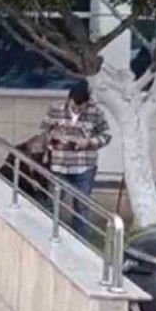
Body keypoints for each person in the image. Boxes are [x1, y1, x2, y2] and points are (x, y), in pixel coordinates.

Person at [41, 81, 111, 238]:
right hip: (59, 165)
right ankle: (48, 235)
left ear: (87, 102)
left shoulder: (96, 113)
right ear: (69, 99)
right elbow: (44, 131)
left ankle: (80, 240)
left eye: (82, 106)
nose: (78, 109)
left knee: (82, 207)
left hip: (84, 166)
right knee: (53, 203)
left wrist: (90, 142)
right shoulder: (56, 109)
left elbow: (106, 135)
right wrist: (53, 138)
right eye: (75, 105)